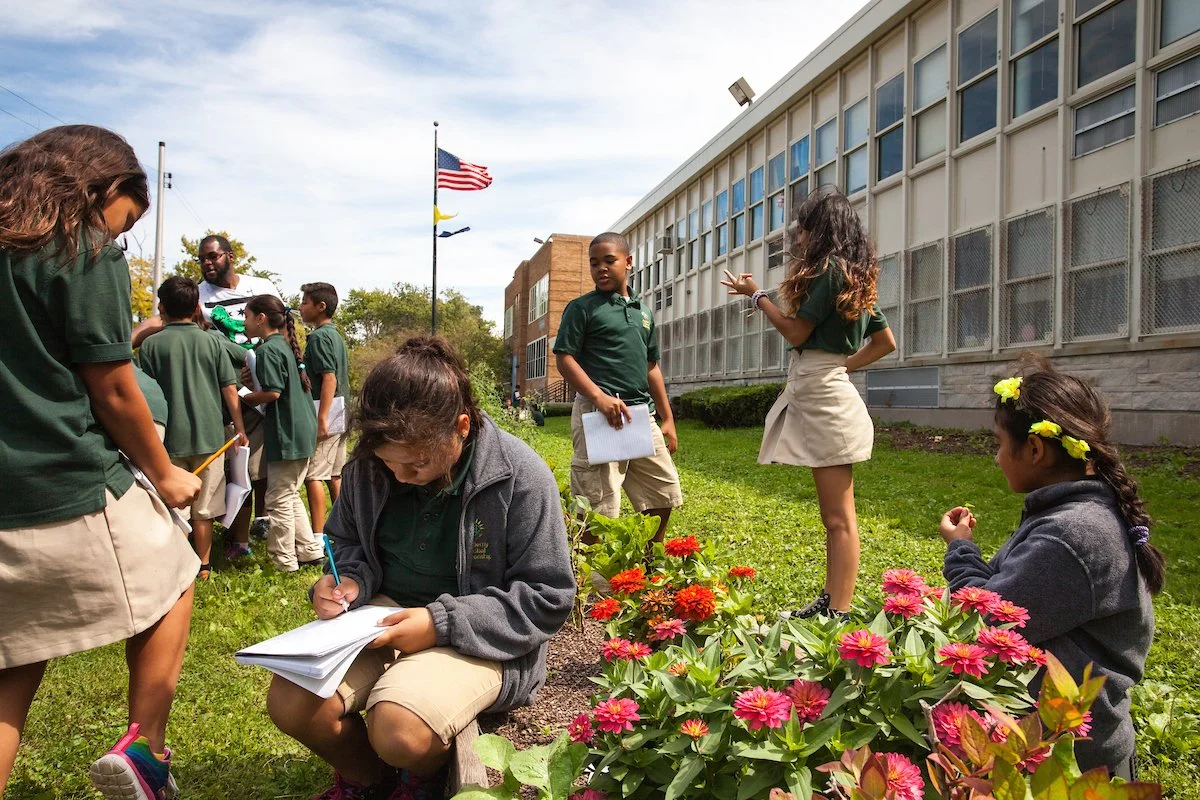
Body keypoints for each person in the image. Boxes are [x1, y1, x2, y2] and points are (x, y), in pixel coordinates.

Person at [266, 336, 575, 800]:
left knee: (400, 728)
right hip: (382, 616)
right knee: (292, 703)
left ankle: (420, 781)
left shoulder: (520, 476)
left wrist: (439, 623)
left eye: (416, 464)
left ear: (462, 427)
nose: (400, 476)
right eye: (390, 465)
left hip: (480, 635)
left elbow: (547, 595)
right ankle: (367, 780)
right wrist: (347, 579)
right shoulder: (369, 467)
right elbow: (346, 540)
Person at [0, 125, 201, 799]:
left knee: (12, 667)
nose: (119, 241)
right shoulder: (77, 250)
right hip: (63, 482)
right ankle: (145, 753)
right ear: (104, 187)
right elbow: (114, 386)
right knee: (176, 572)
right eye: (123, 225)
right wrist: (167, 474)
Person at [939, 357, 1164, 778]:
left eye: (998, 443)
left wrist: (960, 551)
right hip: (1057, 749)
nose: (996, 457)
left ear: (1036, 448)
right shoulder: (1077, 515)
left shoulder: (1073, 536)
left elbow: (983, 624)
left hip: (1069, 769)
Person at [721, 186, 895, 619]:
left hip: (827, 398)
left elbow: (797, 333)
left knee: (839, 520)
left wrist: (758, 296)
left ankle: (838, 611)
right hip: (824, 391)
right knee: (833, 520)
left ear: (822, 230)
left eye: (804, 229)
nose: (798, 238)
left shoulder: (833, 270)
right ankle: (831, 602)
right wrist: (841, 369)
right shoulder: (851, 274)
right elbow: (884, 342)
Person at [133, 235, 282, 544]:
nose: (207, 263)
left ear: (230, 256)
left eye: (213, 256)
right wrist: (123, 343)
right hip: (230, 399)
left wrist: (267, 367)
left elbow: (282, 330)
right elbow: (161, 318)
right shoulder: (196, 296)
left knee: (263, 471)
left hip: (266, 390)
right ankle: (238, 541)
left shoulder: (260, 286)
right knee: (238, 473)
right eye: (202, 259)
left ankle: (262, 527)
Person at [553, 232, 682, 542]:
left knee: (663, 492)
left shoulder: (643, 312)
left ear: (628, 262)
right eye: (594, 263)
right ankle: (592, 582)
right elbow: (564, 359)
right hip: (599, 416)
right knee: (596, 505)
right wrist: (598, 397)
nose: (601, 269)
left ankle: (651, 558)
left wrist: (667, 417)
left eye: (609, 261)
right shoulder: (582, 308)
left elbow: (651, 367)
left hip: (640, 415)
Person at [138, 276, 249, 579]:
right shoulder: (212, 341)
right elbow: (229, 388)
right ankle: (204, 567)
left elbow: (144, 395)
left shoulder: (150, 346)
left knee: (174, 507)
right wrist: (240, 429)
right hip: (211, 440)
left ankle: (175, 567)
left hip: (168, 442)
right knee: (205, 510)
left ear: (162, 307)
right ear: (197, 307)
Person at [240, 294, 323, 572]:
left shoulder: (266, 351)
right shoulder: (284, 347)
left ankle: (284, 561)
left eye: (247, 316)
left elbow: (273, 393)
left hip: (287, 434)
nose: (244, 321)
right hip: (302, 432)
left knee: (277, 499)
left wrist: (246, 396)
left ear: (261, 318)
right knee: (289, 493)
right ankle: (310, 550)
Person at [299, 282, 351, 540]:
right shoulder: (335, 335)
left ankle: (319, 537)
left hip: (328, 413)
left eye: (305, 302)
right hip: (342, 413)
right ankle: (346, 531)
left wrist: (322, 419)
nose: (300, 307)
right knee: (334, 474)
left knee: (313, 475)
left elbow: (328, 378)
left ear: (321, 307)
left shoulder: (319, 337)